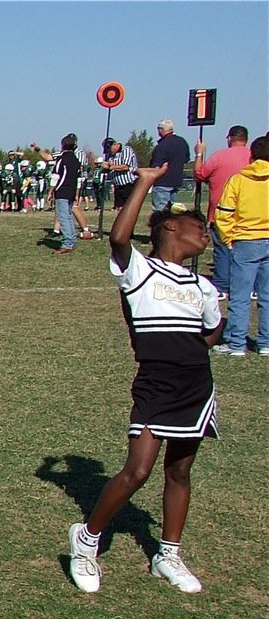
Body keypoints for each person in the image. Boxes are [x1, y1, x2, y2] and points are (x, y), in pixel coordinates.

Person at [67, 163, 223, 595]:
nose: (205, 234)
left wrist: (193, 347)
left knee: (180, 472)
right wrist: (145, 182)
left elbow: (212, 332)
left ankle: (168, 554)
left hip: (196, 386)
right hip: (156, 384)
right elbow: (118, 237)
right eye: (199, 226)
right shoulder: (140, 270)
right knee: (137, 471)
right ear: (171, 226)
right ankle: (87, 539)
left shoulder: (204, 286)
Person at [212, 135, 269, 357]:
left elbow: (224, 213)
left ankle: (236, 343)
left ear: (251, 156)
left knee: (240, 295)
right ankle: (265, 343)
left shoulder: (238, 180)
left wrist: (228, 239)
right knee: (266, 295)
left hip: (245, 241)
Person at [194, 125, 251, 299]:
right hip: (249, 212)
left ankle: (222, 285)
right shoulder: (254, 157)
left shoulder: (219, 156)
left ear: (229, 138)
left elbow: (199, 173)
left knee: (223, 249)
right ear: (246, 139)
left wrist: (199, 153)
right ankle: (250, 285)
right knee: (249, 251)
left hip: (221, 210)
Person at [35, 135, 83, 254]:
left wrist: (51, 191)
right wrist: (77, 193)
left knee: (63, 217)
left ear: (62, 145)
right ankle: (72, 239)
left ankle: (67, 243)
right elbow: (78, 179)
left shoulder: (61, 159)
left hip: (62, 191)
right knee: (68, 216)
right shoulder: (76, 160)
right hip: (71, 190)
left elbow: (56, 176)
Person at [149, 119, 191, 212]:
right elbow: (186, 159)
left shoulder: (162, 145)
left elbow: (156, 166)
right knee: (173, 211)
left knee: (160, 212)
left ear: (161, 130)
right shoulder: (182, 142)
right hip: (176, 181)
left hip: (162, 182)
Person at [101, 137, 138, 213]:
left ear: (114, 145)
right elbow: (108, 168)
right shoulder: (110, 155)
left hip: (128, 184)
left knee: (128, 209)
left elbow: (125, 166)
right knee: (119, 209)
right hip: (118, 185)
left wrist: (111, 167)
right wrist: (105, 167)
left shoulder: (126, 150)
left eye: (109, 149)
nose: (109, 152)